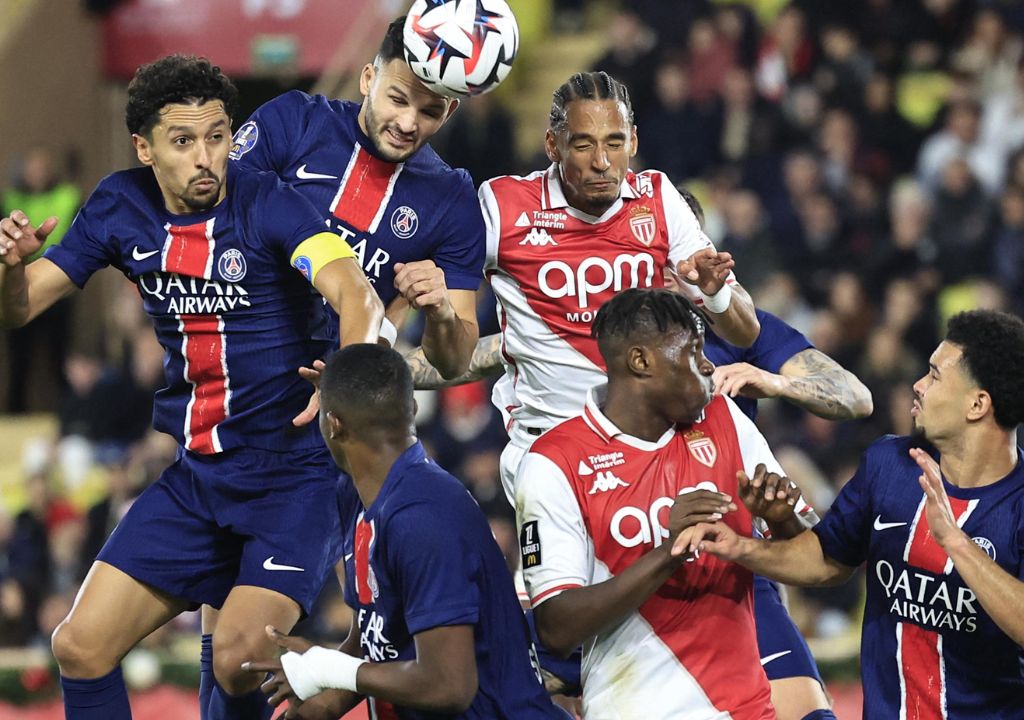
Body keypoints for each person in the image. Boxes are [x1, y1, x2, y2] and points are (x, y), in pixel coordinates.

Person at [0, 55, 383, 720]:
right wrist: (10, 268)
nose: (206, 158)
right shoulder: (118, 206)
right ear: (143, 148)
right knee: (78, 646)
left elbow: (354, 290)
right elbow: (22, 305)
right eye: (183, 141)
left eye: (217, 136)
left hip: (294, 480)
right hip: (199, 478)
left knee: (236, 661)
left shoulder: (269, 202)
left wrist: (346, 377)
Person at [405, 186, 867, 719]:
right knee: (502, 687)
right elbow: (470, 357)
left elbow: (855, 398)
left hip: (726, 566)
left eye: (681, 261)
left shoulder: (738, 332)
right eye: (657, 260)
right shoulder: (603, 335)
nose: (669, 274)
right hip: (601, 556)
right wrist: (372, 373)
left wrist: (775, 382)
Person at [678, 309, 1024, 719]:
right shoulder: (890, 464)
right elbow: (826, 559)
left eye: (934, 376)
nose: (918, 385)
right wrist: (740, 547)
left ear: (977, 404)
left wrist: (955, 543)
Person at [243, 344, 564, 720]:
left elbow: (449, 686)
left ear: (333, 424)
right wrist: (323, 703)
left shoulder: (423, 516)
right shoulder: (360, 493)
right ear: (411, 407)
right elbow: (377, 635)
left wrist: (327, 668)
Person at [516, 288, 791, 719]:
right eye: (693, 351)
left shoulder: (725, 419)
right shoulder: (554, 461)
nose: (708, 365)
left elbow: (808, 556)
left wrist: (784, 520)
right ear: (641, 361)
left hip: (745, 709)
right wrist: (670, 552)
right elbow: (556, 628)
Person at [232, 16, 484, 385]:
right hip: (238, 368)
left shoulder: (454, 199)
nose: (408, 123)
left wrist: (442, 312)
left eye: (429, 111)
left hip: (343, 395)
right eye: (397, 99)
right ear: (368, 79)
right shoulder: (294, 122)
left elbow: (455, 362)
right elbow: (212, 225)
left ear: (449, 112)